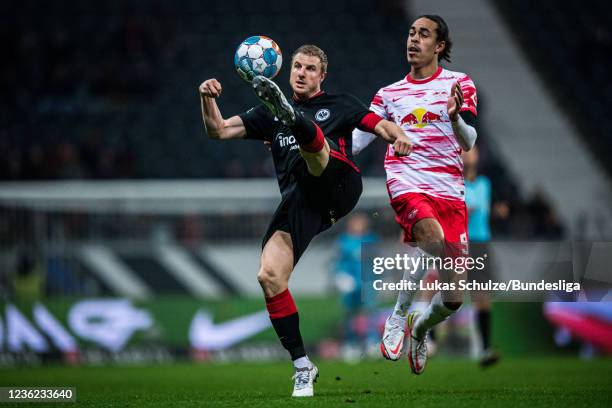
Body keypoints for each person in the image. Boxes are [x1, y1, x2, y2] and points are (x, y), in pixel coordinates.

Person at [199, 44, 411, 397]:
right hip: (302, 202)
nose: (301, 72)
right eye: (297, 66)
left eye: (310, 68)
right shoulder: (264, 115)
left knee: (316, 152)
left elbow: (380, 125)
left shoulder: (340, 104)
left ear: (321, 76)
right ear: (289, 69)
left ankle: (295, 120)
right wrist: (206, 97)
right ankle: (302, 367)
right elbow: (218, 130)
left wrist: (400, 135)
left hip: (338, 181)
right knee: (269, 276)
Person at [352, 15, 478, 374]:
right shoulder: (388, 94)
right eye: (410, 33)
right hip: (406, 181)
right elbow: (358, 142)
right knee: (431, 239)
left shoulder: (459, 84)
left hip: (450, 192)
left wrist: (454, 119)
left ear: (439, 46)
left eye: (423, 35)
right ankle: (397, 316)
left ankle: (419, 330)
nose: (413, 40)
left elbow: (468, 143)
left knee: (453, 299)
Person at [462, 146, 500, 367]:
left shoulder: (485, 184)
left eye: (472, 150)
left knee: (482, 299)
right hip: (458, 243)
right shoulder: (453, 182)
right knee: (448, 296)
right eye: (464, 150)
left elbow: (485, 211)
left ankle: (485, 348)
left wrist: (498, 210)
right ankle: (429, 340)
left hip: (480, 244)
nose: (468, 153)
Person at [332, 212, 379, 360]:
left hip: (367, 283)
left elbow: (378, 261)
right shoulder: (343, 241)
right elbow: (338, 262)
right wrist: (340, 277)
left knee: (368, 313)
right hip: (350, 284)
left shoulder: (371, 239)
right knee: (350, 314)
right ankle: (350, 344)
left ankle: (372, 342)